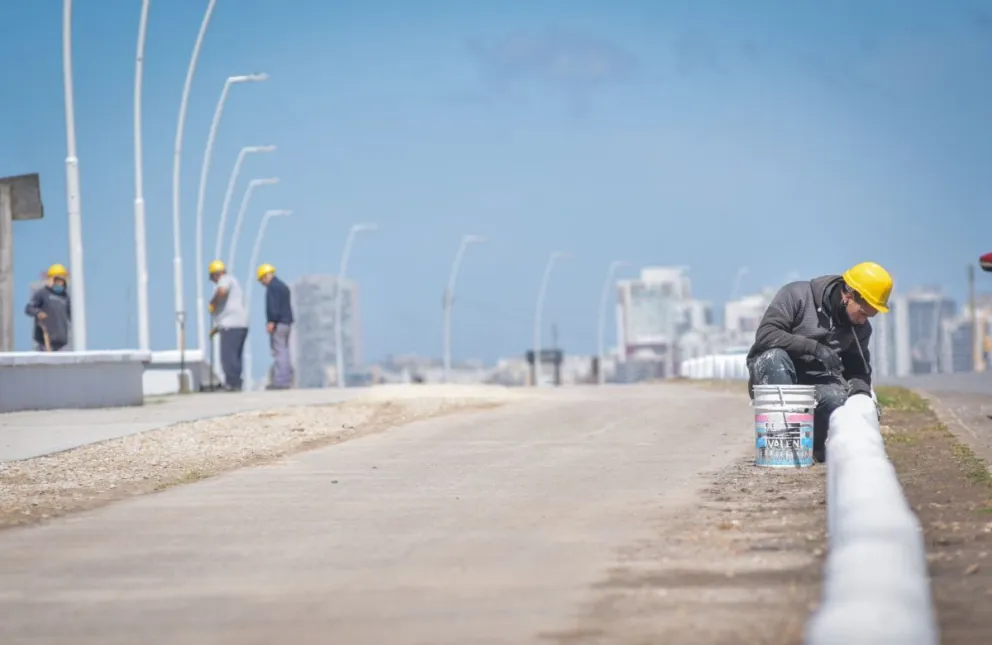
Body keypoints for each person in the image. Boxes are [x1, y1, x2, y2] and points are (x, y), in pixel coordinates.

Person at [746, 261, 893, 463]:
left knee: (839, 398)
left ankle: (813, 447)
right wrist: (814, 348)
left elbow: (858, 371)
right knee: (775, 357)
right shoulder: (796, 295)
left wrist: (862, 398)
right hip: (772, 377)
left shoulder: (859, 329)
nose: (863, 320)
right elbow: (766, 335)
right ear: (848, 296)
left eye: (869, 316)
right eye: (862, 313)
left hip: (812, 385)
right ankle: (781, 446)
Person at [207, 259, 249, 391]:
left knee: (228, 356)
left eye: (212, 277)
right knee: (235, 356)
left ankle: (231, 383)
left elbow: (222, 292)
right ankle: (236, 382)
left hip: (231, 326)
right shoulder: (233, 281)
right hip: (240, 324)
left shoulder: (225, 279)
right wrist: (216, 327)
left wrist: (213, 303)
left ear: (216, 274)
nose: (213, 281)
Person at [256, 263, 294, 390]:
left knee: (279, 352)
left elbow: (273, 306)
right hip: (287, 323)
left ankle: (281, 382)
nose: (262, 283)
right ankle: (286, 379)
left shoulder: (272, 287)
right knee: (285, 351)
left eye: (261, 280)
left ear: (266, 276)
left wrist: (271, 321)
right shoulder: (283, 286)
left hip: (279, 323)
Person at [25, 264, 72, 351]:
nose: (60, 283)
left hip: (61, 342)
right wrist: (38, 313)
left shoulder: (65, 297)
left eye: (62, 281)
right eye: (58, 280)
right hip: (45, 341)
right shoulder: (43, 293)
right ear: (50, 280)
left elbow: (72, 315)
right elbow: (29, 308)